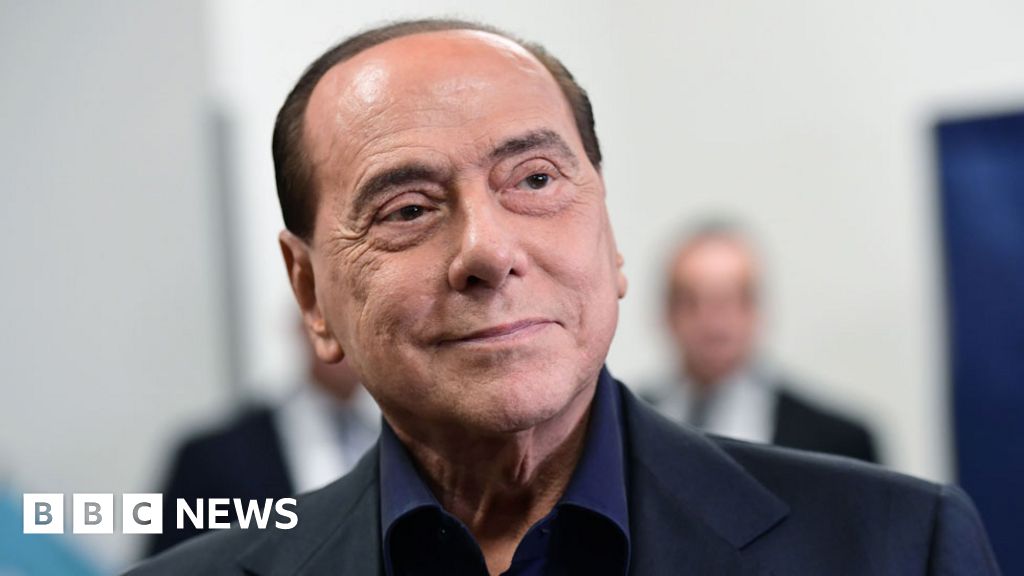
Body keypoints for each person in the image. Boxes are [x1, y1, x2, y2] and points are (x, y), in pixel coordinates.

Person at [127, 18, 1000, 575]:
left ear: (610, 239)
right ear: (311, 295)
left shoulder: (892, 547)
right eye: (409, 209)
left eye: (536, 179)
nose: (488, 250)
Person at [645, 222, 879, 462]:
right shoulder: (627, 425)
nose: (712, 322)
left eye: (729, 300)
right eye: (691, 302)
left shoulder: (840, 443)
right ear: (667, 312)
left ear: (757, 311)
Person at [147, 326, 379, 555]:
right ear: (306, 325)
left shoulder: (389, 442)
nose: (346, 348)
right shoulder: (212, 457)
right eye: (335, 329)